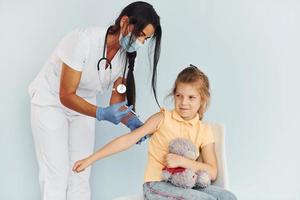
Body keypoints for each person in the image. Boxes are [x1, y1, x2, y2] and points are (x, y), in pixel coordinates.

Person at [28, 1, 161, 200]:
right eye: (140, 35)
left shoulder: (126, 57)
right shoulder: (83, 40)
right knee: (56, 174)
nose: (141, 42)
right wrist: (101, 113)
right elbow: (66, 95)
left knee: (81, 171)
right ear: (125, 21)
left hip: (84, 105)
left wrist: (135, 124)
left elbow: (116, 103)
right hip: (51, 102)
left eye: (146, 39)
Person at [73, 65, 237, 200]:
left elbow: (213, 171)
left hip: (188, 184)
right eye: (179, 96)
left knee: (228, 197)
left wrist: (182, 162)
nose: (183, 102)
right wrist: (90, 159)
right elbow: (129, 140)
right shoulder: (162, 118)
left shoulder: (204, 130)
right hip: (157, 184)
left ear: (203, 99)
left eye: (191, 97)